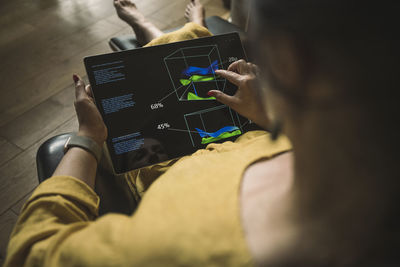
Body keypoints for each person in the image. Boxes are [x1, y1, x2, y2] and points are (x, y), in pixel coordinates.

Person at [4, 0, 399, 266]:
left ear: (291, 59)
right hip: (245, 127)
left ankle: (161, 29)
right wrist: (266, 114)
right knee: (195, 75)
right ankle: (170, 30)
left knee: (181, 76)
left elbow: (34, 248)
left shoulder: (170, 245)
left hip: (165, 161)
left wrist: (88, 136)